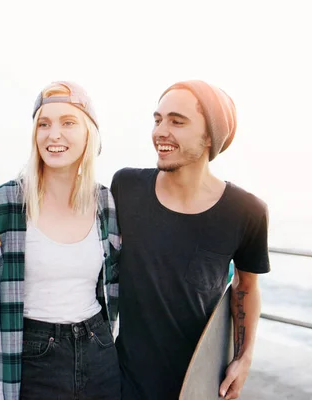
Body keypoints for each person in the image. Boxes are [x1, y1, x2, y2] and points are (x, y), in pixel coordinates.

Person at [111, 80, 270, 400]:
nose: (160, 131)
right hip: (124, 381)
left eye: (177, 121)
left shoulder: (246, 211)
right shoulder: (126, 187)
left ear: (210, 135)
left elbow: (246, 286)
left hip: (199, 384)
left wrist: (243, 358)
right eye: (157, 120)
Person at [0, 81, 121, 399]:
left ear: (88, 133)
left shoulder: (104, 201)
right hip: (33, 356)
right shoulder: (9, 201)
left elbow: (114, 282)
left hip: (99, 349)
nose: (54, 134)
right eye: (44, 124)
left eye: (68, 122)